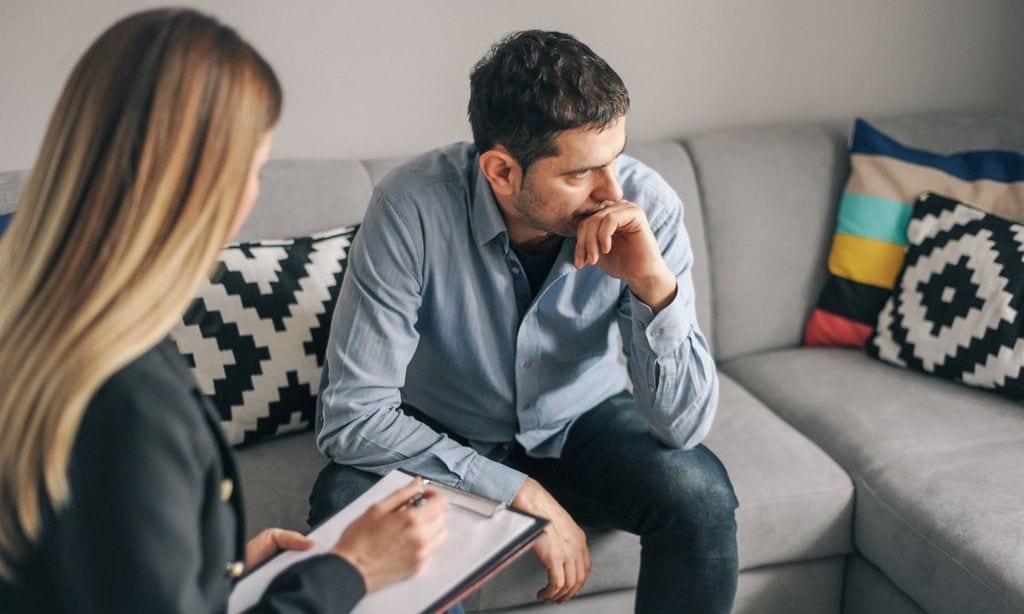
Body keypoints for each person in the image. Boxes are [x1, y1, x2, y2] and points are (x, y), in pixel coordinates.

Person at [0, 9, 448, 613]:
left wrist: (219, 574)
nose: (254, 191)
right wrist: (352, 571)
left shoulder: (40, 326)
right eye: (255, 168)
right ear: (199, 180)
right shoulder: (129, 394)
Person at [310, 30, 739, 613]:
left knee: (701, 493)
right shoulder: (409, 209)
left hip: (580, 423)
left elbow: (683, 427)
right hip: (445, 430)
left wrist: (653, 287)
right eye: (580, 173)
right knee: (344, 496)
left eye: (615, 160)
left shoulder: (646, 206)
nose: (611, 192)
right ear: (502, 171)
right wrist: (518, 492)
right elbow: (351, 416)